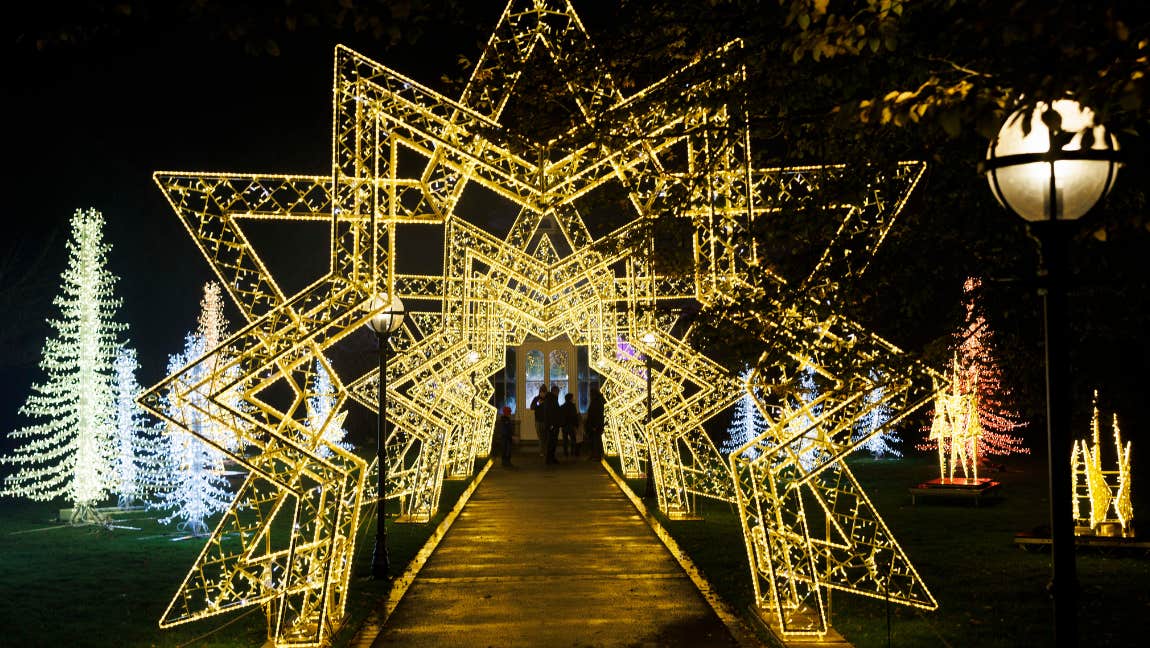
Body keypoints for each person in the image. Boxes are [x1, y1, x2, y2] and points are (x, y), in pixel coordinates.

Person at [584, 386, 605, 460]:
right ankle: (594, 455)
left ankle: (597, 455)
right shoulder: (597, 401)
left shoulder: (597, 402)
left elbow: (596, 414)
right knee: (594, 440)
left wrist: (594, 425)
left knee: (596, 440)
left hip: (595, 425)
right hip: (595, 425)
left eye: (590, 394)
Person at [543, 384, 561, 464]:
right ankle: (549, 459)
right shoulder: (551, 400)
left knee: (553, 442)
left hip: (553, 424)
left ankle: (551, 458)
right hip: (552, 425)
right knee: (551, 442)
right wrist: (551, 424)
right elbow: (551, 413)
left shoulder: (551, 399)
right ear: (555, 392)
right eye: (558, 392)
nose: (558, 394)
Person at [530, 384, 548, 457]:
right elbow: (532, 407)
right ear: (540, 392)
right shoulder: (536, 399)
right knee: (540, 437)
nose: (543, 394)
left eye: (544, 392)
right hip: (538, 421)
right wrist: (538, 403)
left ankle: (545, 451)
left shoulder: (548, 399)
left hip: (546, 421)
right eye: (541, 392)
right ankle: (542, 452)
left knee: (545, 437)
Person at [559, 393, 579, 457]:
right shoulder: (572, 406)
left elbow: (560, 416)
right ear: (570, 399)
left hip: (564, 425)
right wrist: (576, 425)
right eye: (572, 398)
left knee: (565, 440)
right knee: (573, 439)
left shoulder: (562, 406)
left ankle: (565, 452)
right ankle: (572, 452)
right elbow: (574, 416)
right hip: (571, 425)